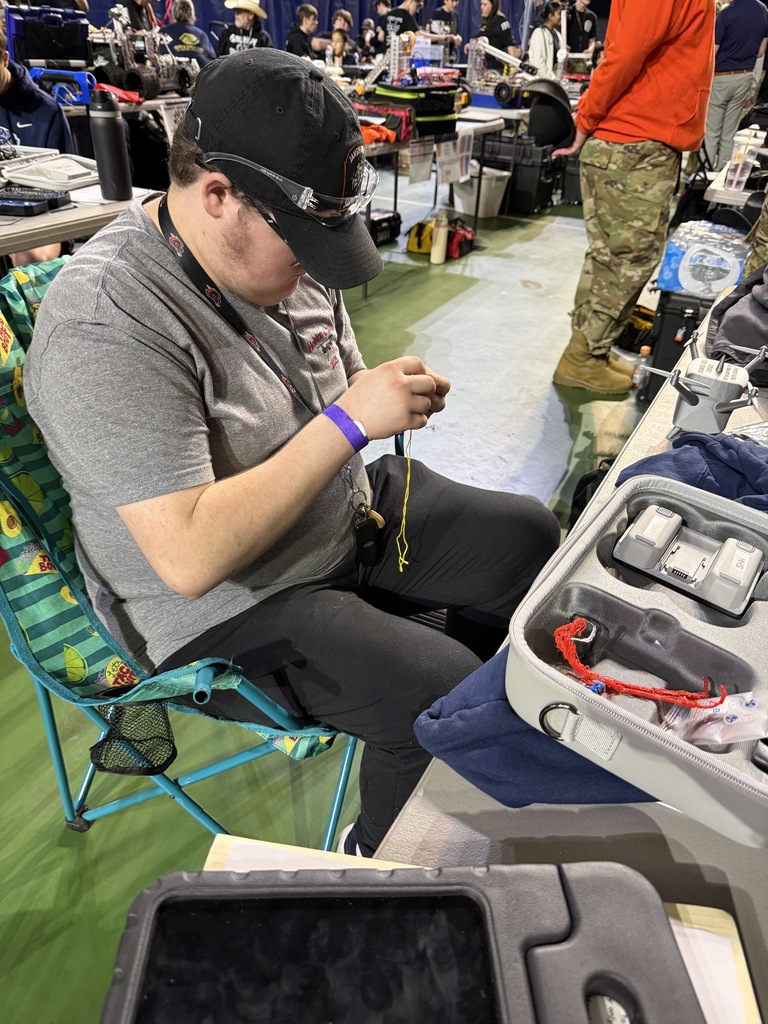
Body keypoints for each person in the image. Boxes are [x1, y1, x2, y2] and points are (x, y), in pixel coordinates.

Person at [24, 49, 561, 859]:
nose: (318, 266)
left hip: (338, 516)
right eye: (305, 242)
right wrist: (348, 422)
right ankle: (373, 860)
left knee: (529, 539)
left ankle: (475, 728)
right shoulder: (105, 324)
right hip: (223, 606)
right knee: (433, 692)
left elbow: (337, 386)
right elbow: (188, 558)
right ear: (218, 196)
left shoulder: (280, 256)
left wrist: (375, 398)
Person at [551, 0, 715, 396]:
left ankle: (590, 349)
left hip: (637, 139)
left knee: (611, 257)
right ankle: (583, 357)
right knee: (627, 259)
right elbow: (625, 54)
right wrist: (585, 119)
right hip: (634, 141)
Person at [703, 0, 768, 171]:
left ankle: (706, 172)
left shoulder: (727, 13)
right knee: (730, 130)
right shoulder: (762, 10)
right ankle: (722, 171)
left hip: (721, 77)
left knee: (711, 130)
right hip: (745, 76)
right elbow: (761, 52)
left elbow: (713, 50)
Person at [468, 0, 521, 71]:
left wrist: (513, 68)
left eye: (485, 5)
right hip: (483, 69)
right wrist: (471, 45)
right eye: (481, 4)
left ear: (493, 6)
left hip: (496, 70)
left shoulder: (502, 22)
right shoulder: (486, 22)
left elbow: (510, 46)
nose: (481, 7)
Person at [163, 0, 217, 67]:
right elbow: (213, 62)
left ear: (173, 12)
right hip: (200, 72)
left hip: (171, 71)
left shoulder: (164, 32)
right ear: (192, 13)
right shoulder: (201, 34)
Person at [526, 0, 562, 80]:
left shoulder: (557, 34)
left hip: (553, 79)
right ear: (550, 16)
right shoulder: (539, 33)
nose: (562, 17)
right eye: (559, 14)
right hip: (541, 80)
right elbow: (538, 63)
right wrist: (552, 78)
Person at [428, 0, 462, 64]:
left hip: (450, 54)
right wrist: (447, 37)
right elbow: (433, 35)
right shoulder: (437, 13)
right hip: (437, 53)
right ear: (445, 1)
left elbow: (457, 33)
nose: (454, 4)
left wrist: (458, 38)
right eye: (452, 1)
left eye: (456, 1)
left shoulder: (456, 15)